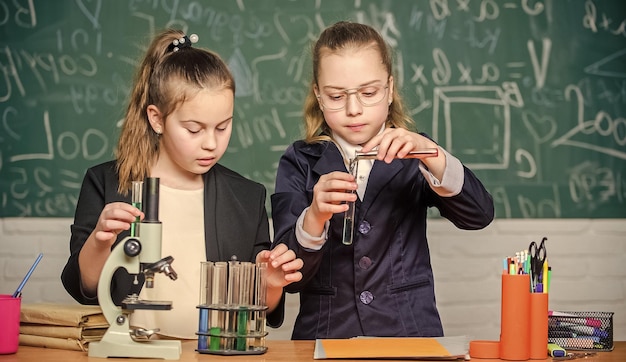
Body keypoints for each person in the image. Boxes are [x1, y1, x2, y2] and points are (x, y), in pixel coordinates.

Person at [61, 29, 303, 339]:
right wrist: (100, 240)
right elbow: (86, 288)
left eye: (223, 126)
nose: (211, 144)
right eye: (194, 129)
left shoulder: (246, 197)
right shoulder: (106, 184)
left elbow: (263, 310)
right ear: (157, 119)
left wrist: (270, 284)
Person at [270, 21, 495, 340]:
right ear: (319, 96)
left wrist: (432, 154)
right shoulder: (300, 161)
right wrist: (315, 218)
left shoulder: (417, 153)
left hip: (409, 333)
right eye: (336, 96)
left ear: (389, 90)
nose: (353, 109)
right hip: (325, 335)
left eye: (369, 92)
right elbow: (289, 280)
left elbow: (479, 215)